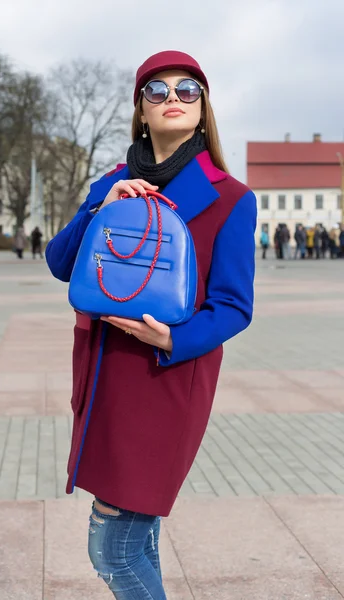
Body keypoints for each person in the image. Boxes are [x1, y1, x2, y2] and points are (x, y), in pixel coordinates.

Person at [46, 50, 257, 599]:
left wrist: (172, 338)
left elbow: (234, 305)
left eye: (187, 90)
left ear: (202, 108)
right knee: (138, 542)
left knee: (111, 549)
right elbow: (61, 264)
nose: (172, 100)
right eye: (156, 91)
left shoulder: (233, 199)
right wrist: (100, 209)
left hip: (165, 379)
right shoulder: (112, 182)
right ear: (141, 110)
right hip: (104, 373)